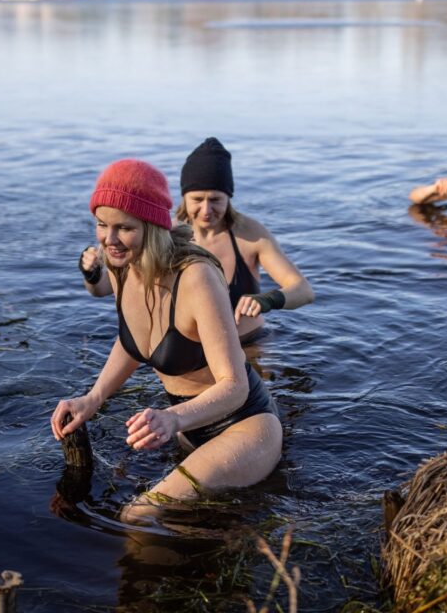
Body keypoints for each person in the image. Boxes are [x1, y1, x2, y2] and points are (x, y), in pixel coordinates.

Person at [53, 159, 282, 522]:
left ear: (152, 225)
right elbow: (133, 341)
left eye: (124, 228)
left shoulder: (196, 277)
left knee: (136, 515)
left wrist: (171, 419)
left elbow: (235, 386)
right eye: (101, 225)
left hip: (244, 426)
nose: (109, 240)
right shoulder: (121, 264)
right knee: (191, 532)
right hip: (189, 429)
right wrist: (92, 398)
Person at [81, 138, 314, 344]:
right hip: (188, 352)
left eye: (215, 199)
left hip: (249, 344)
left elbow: (303, 290)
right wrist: (92, 273)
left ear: (229, 198)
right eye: (197, 199)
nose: (206, 210)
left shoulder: (251, 234)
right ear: (184, 197)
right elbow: (104, 289)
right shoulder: (164, 235)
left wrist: (267, 300)